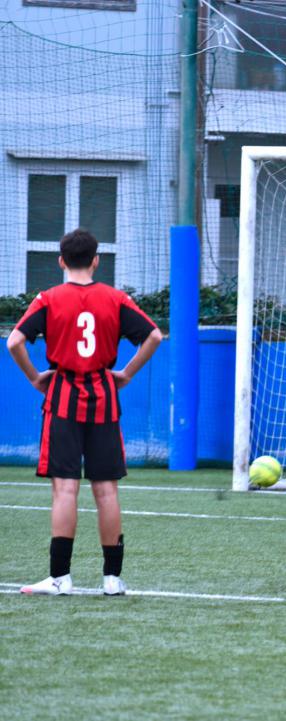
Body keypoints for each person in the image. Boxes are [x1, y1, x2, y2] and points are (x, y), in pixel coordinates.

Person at [7, 229, 162, 596]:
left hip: (63, 395)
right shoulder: (116, 299)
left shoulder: (48, 299)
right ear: (96, 260)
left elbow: (14, 341)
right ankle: (112, 579)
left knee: (65, 489)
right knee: (106, 490)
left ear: (61, 261)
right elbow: (154, 335)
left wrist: (35, 378)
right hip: (103, 396)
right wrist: (126, 373)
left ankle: (60, 578)